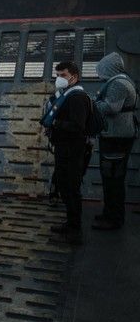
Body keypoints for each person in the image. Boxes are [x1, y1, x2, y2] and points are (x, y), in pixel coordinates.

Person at [41, 62, 94, 245]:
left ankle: (75, 230)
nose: (59, 79)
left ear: (74, 76)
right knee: (64, 185)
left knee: (72, 188)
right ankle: (70, 222)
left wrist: (55, 124)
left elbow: (78, 126)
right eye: (58, 75)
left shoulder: (77, 97)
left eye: (63, 75)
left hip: (73, 149)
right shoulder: (67, 95)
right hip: (64, 148)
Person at [92, 53, 138, 231]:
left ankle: (114, 218)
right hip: (117, 135)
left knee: (113, 178)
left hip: (116, 137)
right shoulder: (123, 80)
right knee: (110, 176)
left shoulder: (118, 84)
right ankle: (109, 213)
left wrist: (93, 104)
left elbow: (111, 108)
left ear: (109, 68)